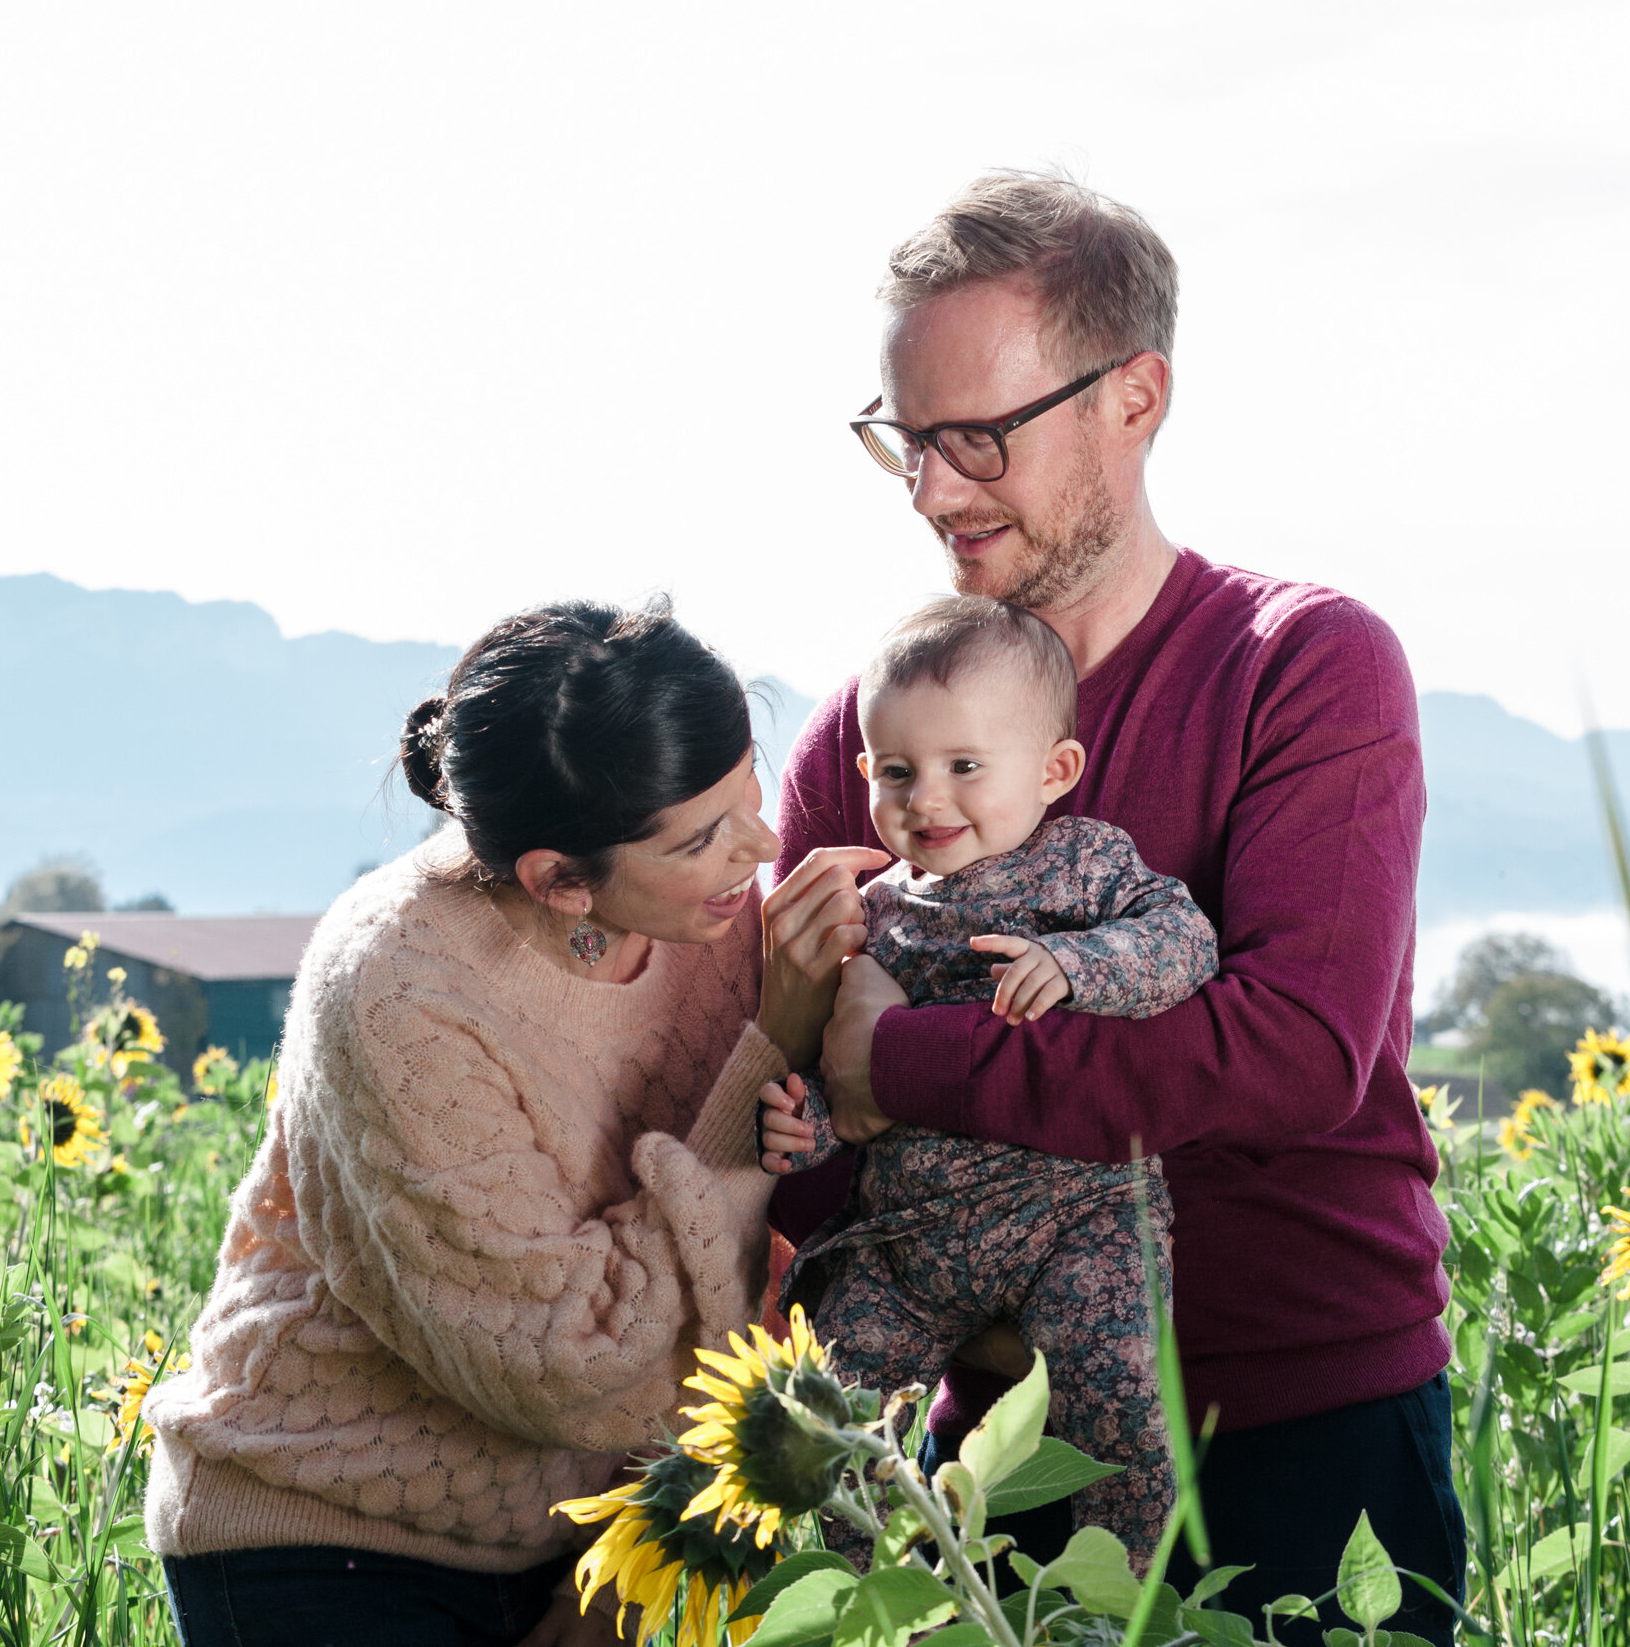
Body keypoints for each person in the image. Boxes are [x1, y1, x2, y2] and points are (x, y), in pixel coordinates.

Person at [769, 173, 1466, 1646]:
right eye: (904, 438)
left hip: (1299, 1424)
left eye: (978, 437)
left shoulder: (1305, 666)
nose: (933, 489)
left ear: (1134, 396)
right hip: (987, 1460)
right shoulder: (867, 740)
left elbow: (1288, 1051)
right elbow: (789, 1104)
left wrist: (900, 1066)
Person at [145, 599, 885, 1647]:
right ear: (557, 879)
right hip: (329, 1534)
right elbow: (567, 1354)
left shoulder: (706, 916)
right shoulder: (399, 990)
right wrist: (771, 1045)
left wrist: (638, 1552)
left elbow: (743, 1278)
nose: (758, 845)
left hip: (580, 1530)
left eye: (746, 792)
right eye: (703, 836)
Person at [759, 593, 1218, 1566]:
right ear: (864, 773)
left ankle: (1118, 1600)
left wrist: (1082, 964)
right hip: (911, 1238)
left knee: (1121, 1397)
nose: (926, 798)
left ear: (1054, 770)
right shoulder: (876, 911)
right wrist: (808, 1125)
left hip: (1075, 1222)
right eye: (898, 771)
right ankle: (860, 1595)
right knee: (828, 1411)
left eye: (964, 766)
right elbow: (856, 1087)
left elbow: (1183, 939)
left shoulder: (1085, 865)